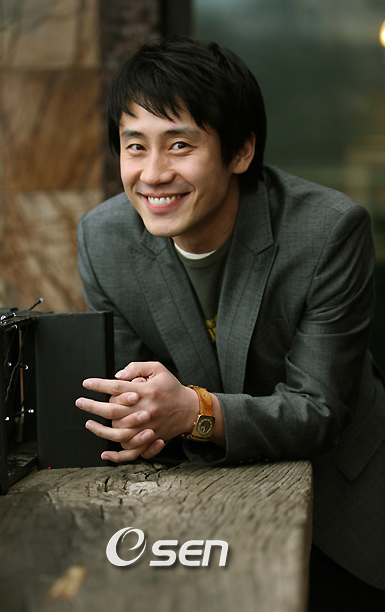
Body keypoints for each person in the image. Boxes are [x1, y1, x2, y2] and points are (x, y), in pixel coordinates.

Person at [76, 37, 385, 607]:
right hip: (195, 502)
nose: (153, 173)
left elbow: (319, 410)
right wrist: (136, 420)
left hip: (341, 503)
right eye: (135, 146)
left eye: (179, 145)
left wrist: (194, 411)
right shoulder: (104, 239)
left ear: (241, 152)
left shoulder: (327, 231)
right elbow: (133, 401)